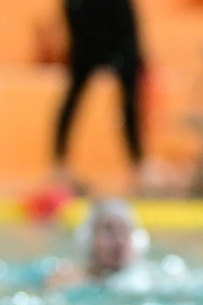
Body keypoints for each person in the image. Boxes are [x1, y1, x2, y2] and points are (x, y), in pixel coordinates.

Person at [53, 0, 146, 188]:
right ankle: (60, 165)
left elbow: (128, 30)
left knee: (129, 98)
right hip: (89, 21)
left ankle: (139, 165)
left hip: (112, 24)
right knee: (75, 96)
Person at [46, 197, 150, 287]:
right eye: (109, 230)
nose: (119, 241)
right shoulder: (66, 281)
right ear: (89, 239)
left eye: (124, 230)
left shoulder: (148, 280)